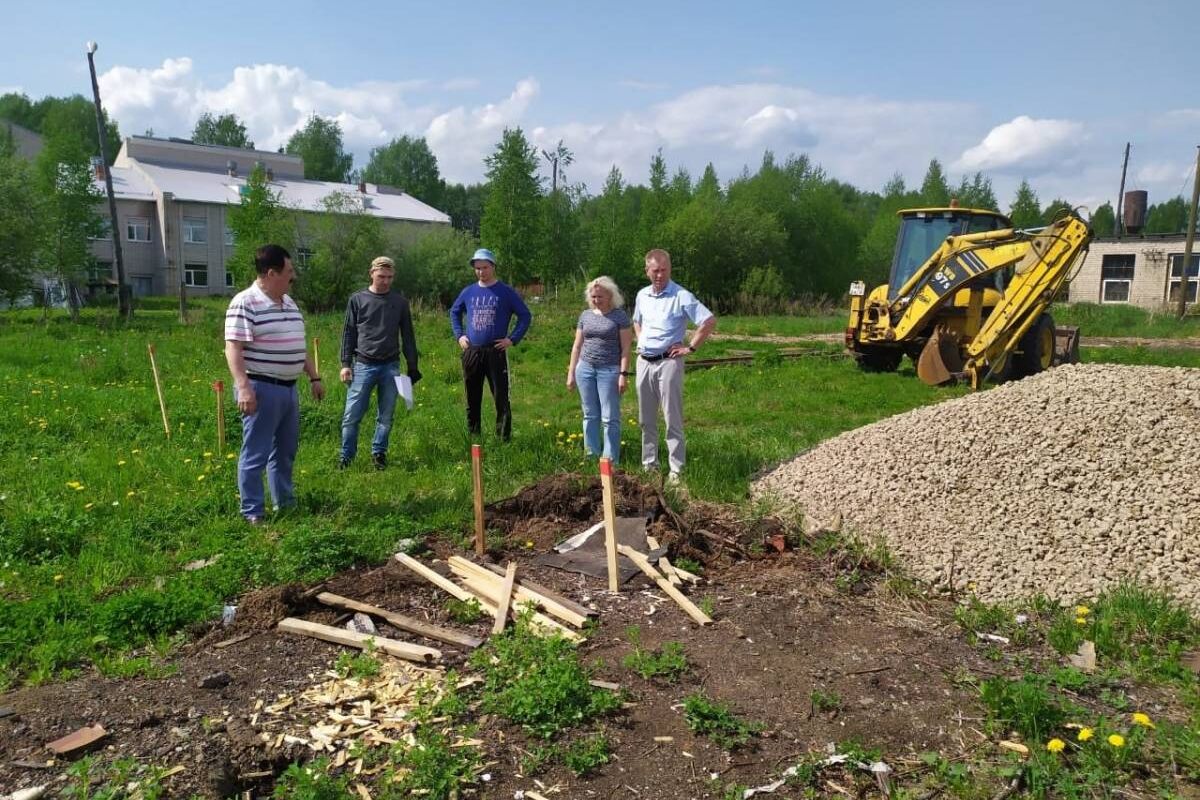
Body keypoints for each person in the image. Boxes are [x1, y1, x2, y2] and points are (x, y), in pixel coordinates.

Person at [224, 244, 325, 523]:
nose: (293, 277)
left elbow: (297, 344)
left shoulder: (289, 303)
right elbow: (233, 348)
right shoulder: (245, 302)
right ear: (271, 273)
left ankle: (285, 504)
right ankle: (253, 512)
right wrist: (243, 386)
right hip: (261, 387)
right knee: (256, 452)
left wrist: (313, 376)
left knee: (285, 452)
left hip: (289, 388)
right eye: (289, 272)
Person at [632, 248, 716, 483]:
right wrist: (641, 340)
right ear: (647, 271)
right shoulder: (642, 296)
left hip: (668, 362)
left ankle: (676, 469)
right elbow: (636, 321)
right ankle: (649, 465)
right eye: (655, 271)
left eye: (664, 270)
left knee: (672, 417)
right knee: (646, 418)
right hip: (644, 362)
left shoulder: (681, 295)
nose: (660, 275)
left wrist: (691, 347)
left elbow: (708, 320)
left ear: (670, 270)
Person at [337, 256, 421, 470]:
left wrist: (412, 366)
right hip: (363, 364)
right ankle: (346, 457)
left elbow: (408, 336)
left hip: (390, 366)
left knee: (386, 416)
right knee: (351, 416)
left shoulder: (400, 302)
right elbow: (348, 332)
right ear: (371, 273)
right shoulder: (357, 300)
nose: (385, 281)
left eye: (389, 277)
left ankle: (379, 454)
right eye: (381, 276)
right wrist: (345, 363)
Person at [449, 248, 532, 441]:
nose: (481, 272)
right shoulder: (468, 291)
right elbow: (454, 312)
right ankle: (474, 437)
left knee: (501, 397)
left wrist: (512, 339)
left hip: (496, 350)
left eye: (485, 267)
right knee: (472, 396)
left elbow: (525, 315)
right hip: (472, 351)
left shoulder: (505, 292)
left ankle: (503, 438)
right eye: (477, 268)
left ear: (493, 267)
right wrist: (460, 335)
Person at [566, 276, 632, 464]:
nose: (596, 300)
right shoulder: (585, 316)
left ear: (610, 295)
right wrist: (571, 373)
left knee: (610, 417)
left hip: (609, 371)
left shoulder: (619, 316)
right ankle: (591, 455)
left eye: (600, 296)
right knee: (589, 415)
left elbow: (626, 348)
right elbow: (577, 346)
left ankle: (610, 460)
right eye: (593, 296)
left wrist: (623, 374)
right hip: (585, 369)